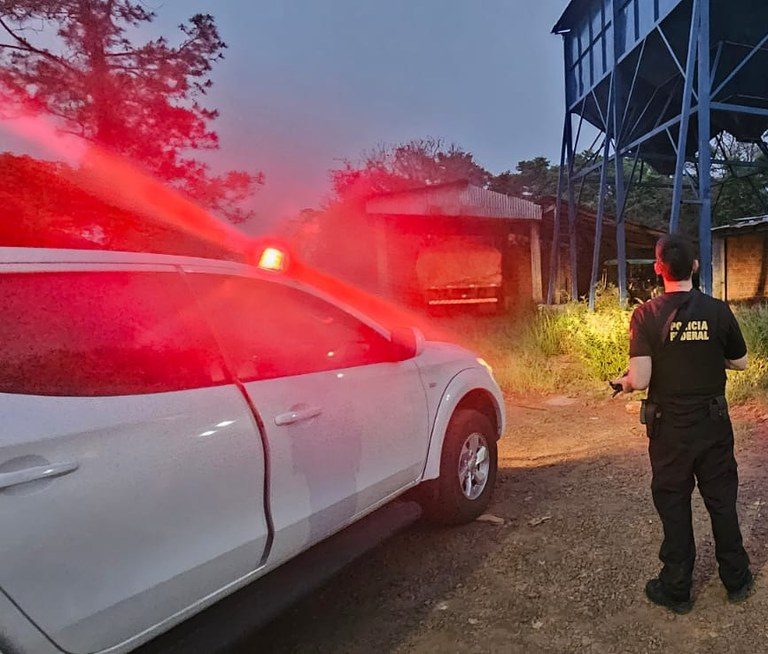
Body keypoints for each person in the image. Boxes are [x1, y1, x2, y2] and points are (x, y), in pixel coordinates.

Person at [614, 234, 753, 614]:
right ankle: (736, 579)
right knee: (721, 500)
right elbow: (740, 362)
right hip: (713, 422)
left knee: (674, 503)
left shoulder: (645, 315)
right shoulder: (719, 310)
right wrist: (708, 356)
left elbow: (640, 379)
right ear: (694, 266)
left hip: (670, 428)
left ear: (659, 268)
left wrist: (624, 382)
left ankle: (676, 588)